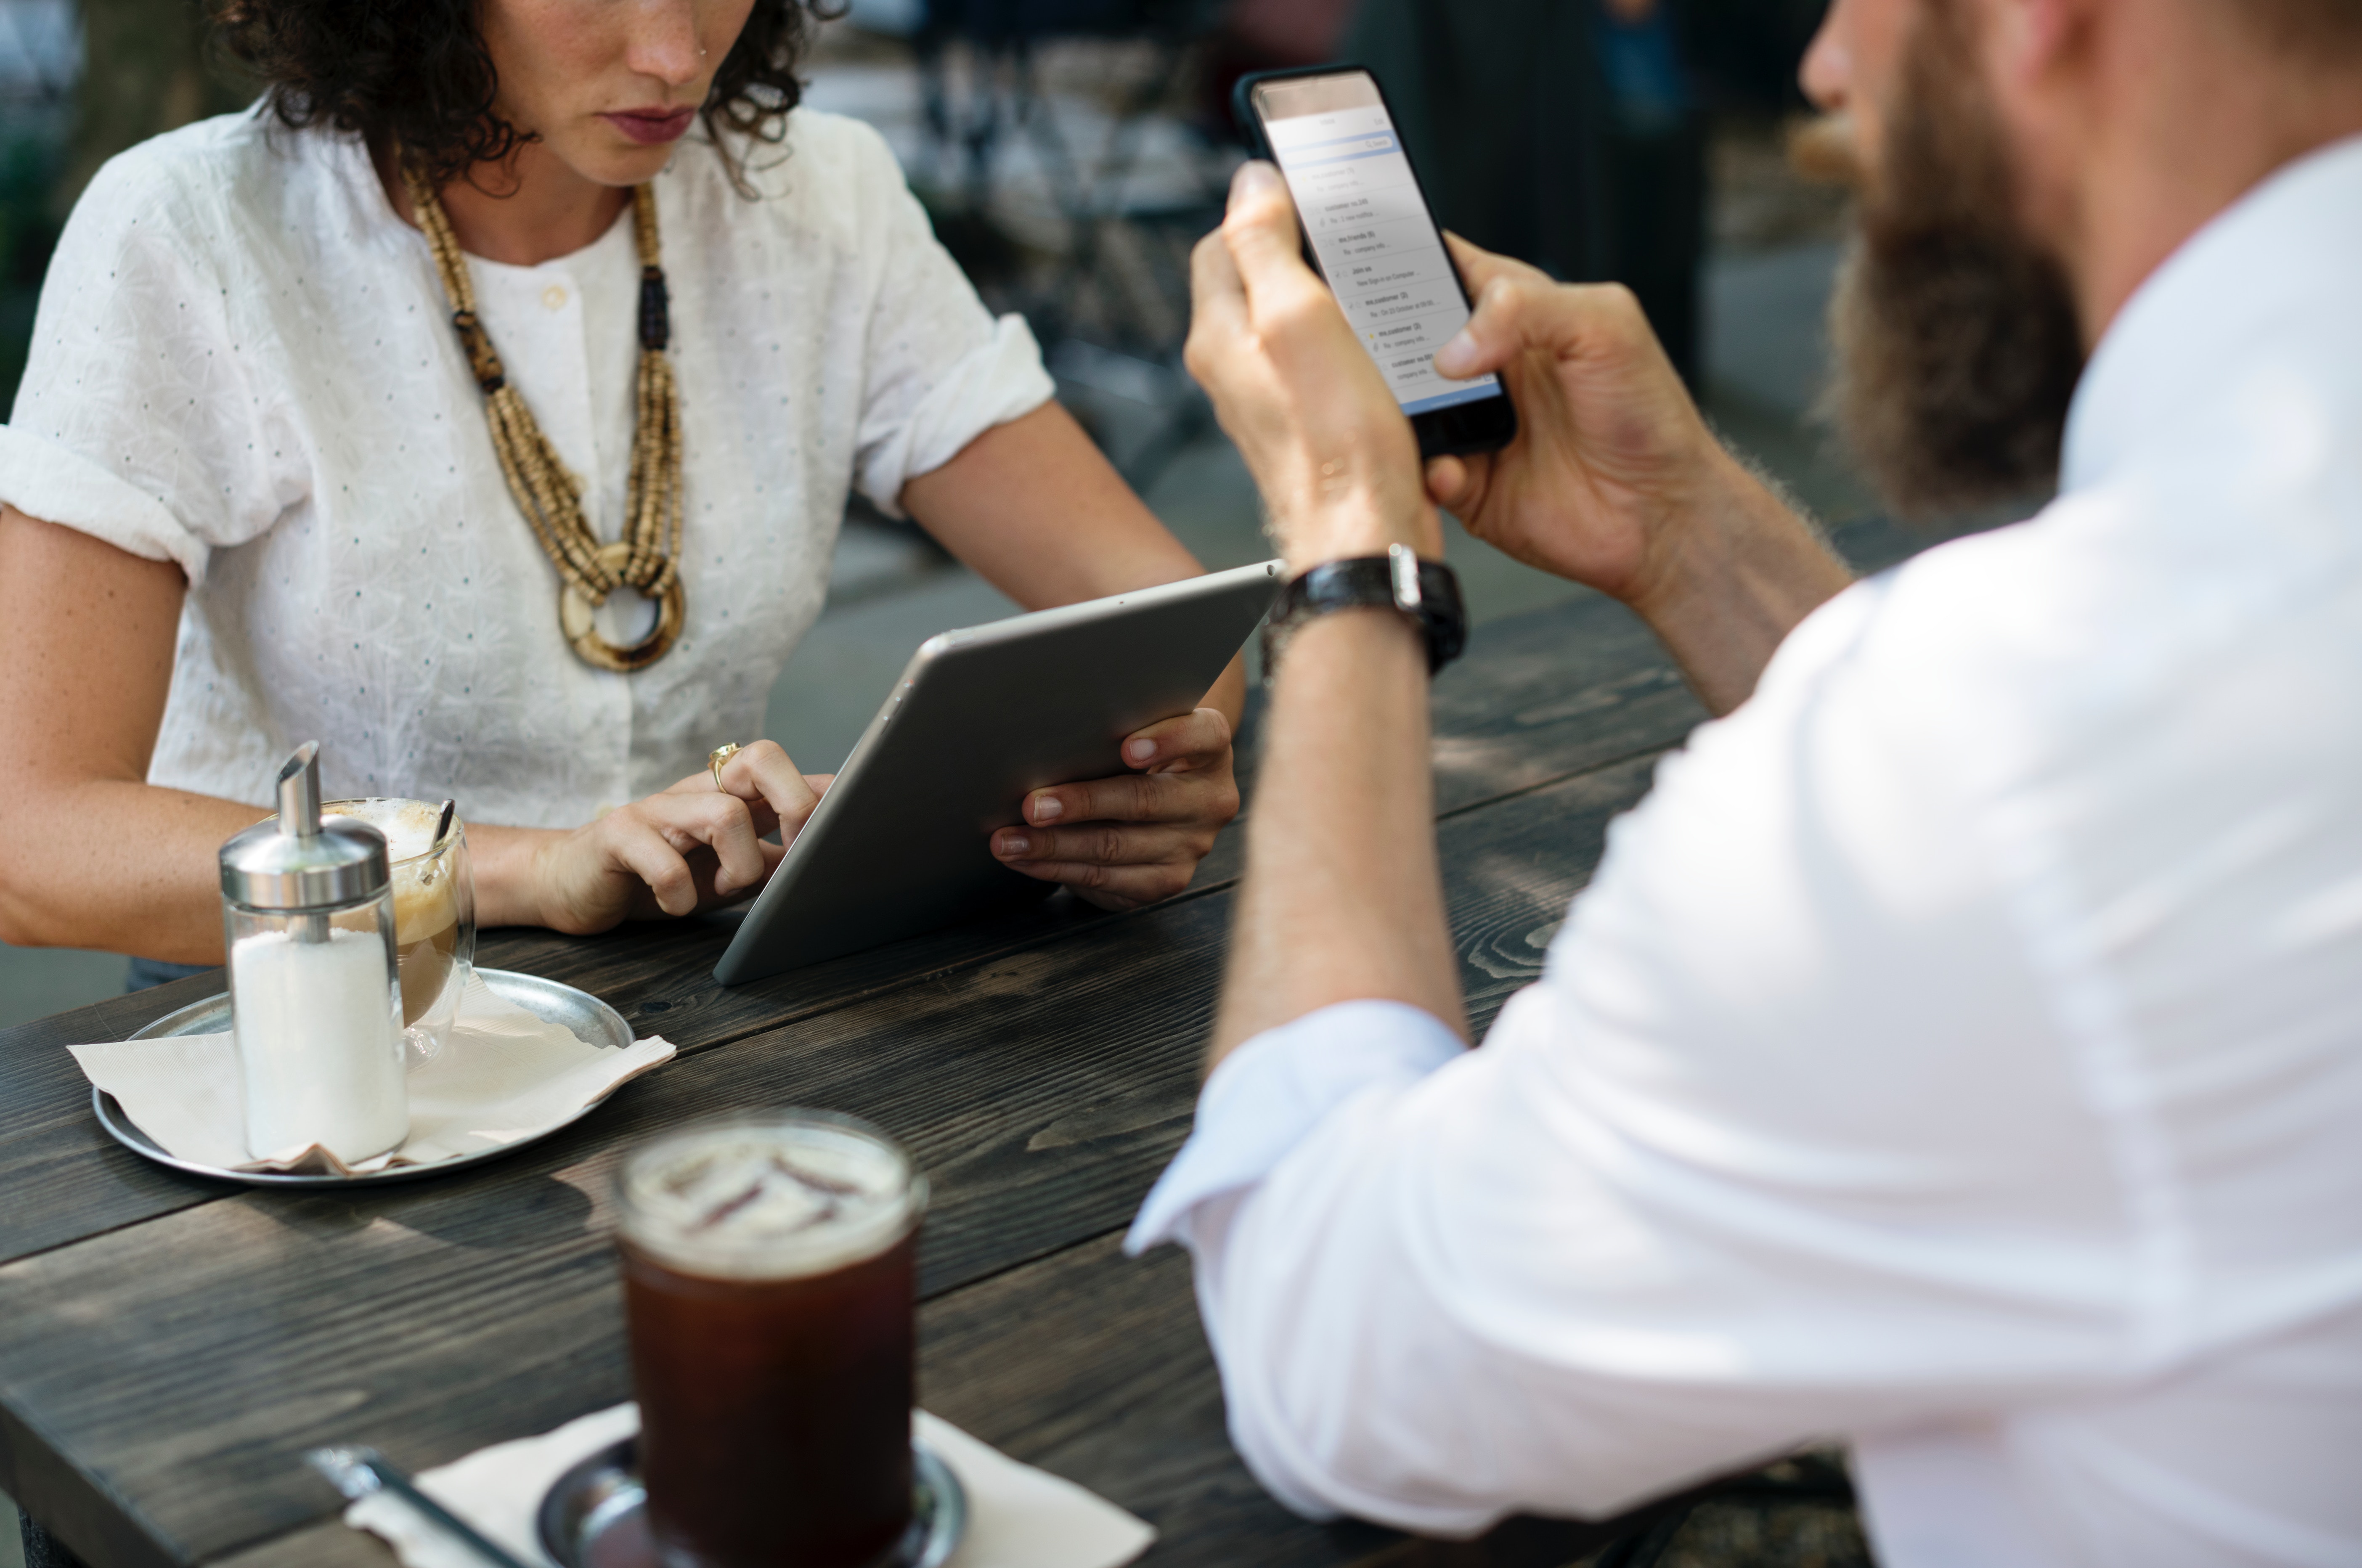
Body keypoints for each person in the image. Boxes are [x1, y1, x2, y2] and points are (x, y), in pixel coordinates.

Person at [1129, 0, 2362, 1560]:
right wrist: (1688, 529)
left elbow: (1351, 1356)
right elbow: (2044, 902)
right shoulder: (2122, 694)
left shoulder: (2022, 744)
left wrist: (1348, 550)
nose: (1825, 66)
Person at [0, 0, 1243, 978]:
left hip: (704, 1010)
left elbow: (1172, 627)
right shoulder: (195, 233)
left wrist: (1141, 783)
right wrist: (531, 871)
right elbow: (33, 843)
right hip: (306, 1033)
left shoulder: (818, 197)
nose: (675, 52)